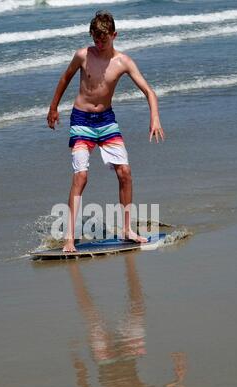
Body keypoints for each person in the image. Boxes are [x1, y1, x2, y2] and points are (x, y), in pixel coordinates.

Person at [47, 10, 165, 252]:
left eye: (104, 39)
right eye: (95, 39)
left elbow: (149, 92)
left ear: (114, 35)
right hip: (81, 120)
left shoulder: (123, 62)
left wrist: (155, 118)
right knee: (81, 176)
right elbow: (64, 79)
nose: (99, 44)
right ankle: (70, 237)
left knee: (125, 173)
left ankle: (127, 229)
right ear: (91, 35)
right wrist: (53, 108)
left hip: (107, 121)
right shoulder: (82, 55)